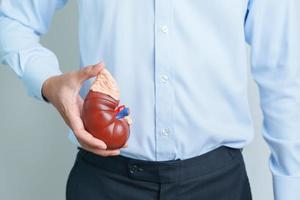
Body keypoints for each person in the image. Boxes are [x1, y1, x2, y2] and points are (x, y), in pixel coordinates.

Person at [0, 1, 299, 200]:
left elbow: (283, 71)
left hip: (218, 185)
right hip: (105, 183)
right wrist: (48, 83)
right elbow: (10, 18)